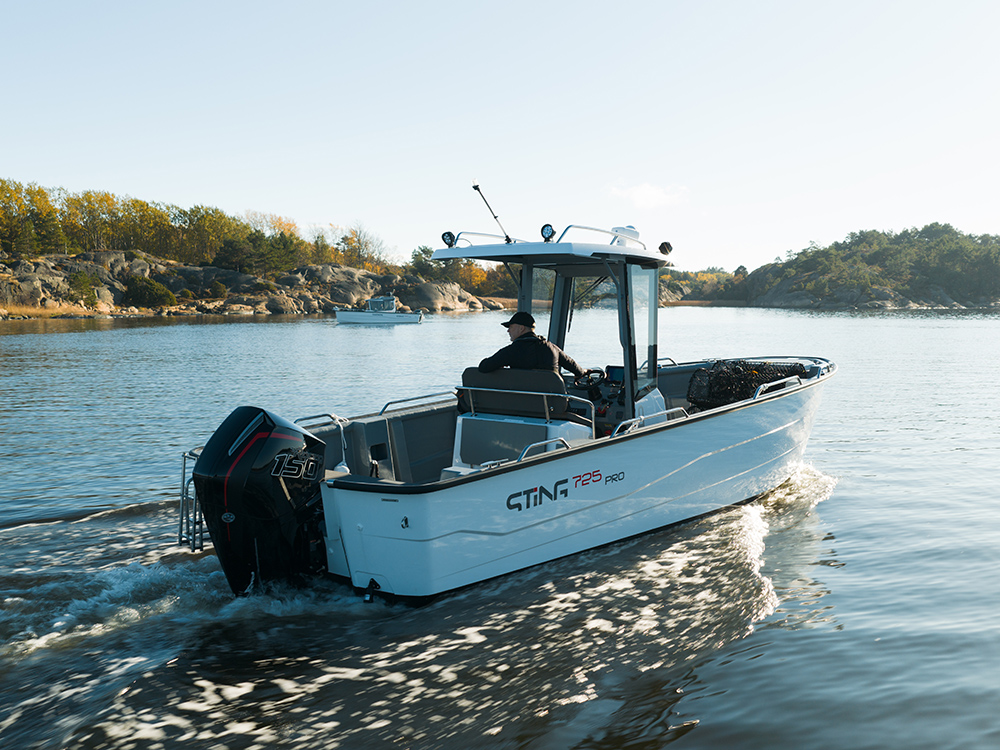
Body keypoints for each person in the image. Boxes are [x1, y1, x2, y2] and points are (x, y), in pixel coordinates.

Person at [478, 311, 586, 377]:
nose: (508, 331)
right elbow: (573, 366)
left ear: (521, 328)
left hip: (522, 405)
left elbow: (483, 367)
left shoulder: (511, 351)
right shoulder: (552, 348)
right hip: (553, 406)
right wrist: (583, 372)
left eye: (510, 327)